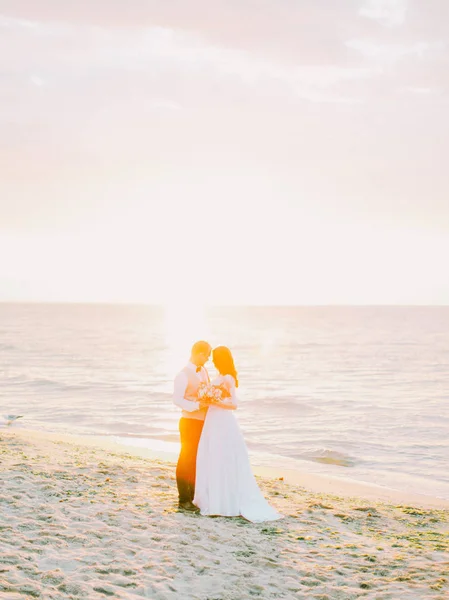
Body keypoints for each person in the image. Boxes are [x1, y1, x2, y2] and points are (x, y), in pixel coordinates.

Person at [194, 346, 282, 522]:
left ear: (221, 359)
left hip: (222, 421)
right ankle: (213, 497)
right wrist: (207, 399)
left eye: (215, 358)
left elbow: (234, 404)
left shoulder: (228, 378)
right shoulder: (218, 377)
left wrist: (215, 401)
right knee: (212, 456)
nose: (212, 360)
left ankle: (225, 501)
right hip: (212, 420)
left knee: (224, 458)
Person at [173, 340, 211, 512]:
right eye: (207, 355)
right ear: (199, 353)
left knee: (197, 460)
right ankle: (183, 500)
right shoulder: (182, 374)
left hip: (203, 422)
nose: (208, 359)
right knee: (185, 460)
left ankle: (193, 496)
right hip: (188, 421)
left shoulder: (204, 371)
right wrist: (197, 406)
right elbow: (177, 399)